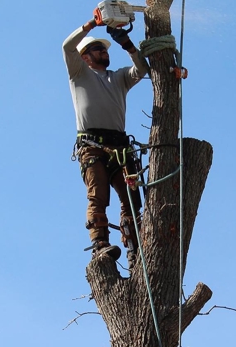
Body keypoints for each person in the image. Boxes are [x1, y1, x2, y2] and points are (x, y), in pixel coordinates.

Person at [62, 14, 148, 269]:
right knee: (98, 195)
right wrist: (92, 24)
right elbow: (67, 47)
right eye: (98, 49)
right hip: (93, 147)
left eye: (103, 48)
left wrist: (128, 45)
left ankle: (134, 249)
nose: (103, 52)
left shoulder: (118, 78)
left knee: (131, 199)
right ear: (85, 56)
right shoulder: (79, 74)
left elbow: (142, 69)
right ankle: (100, 245)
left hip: (119, 146)